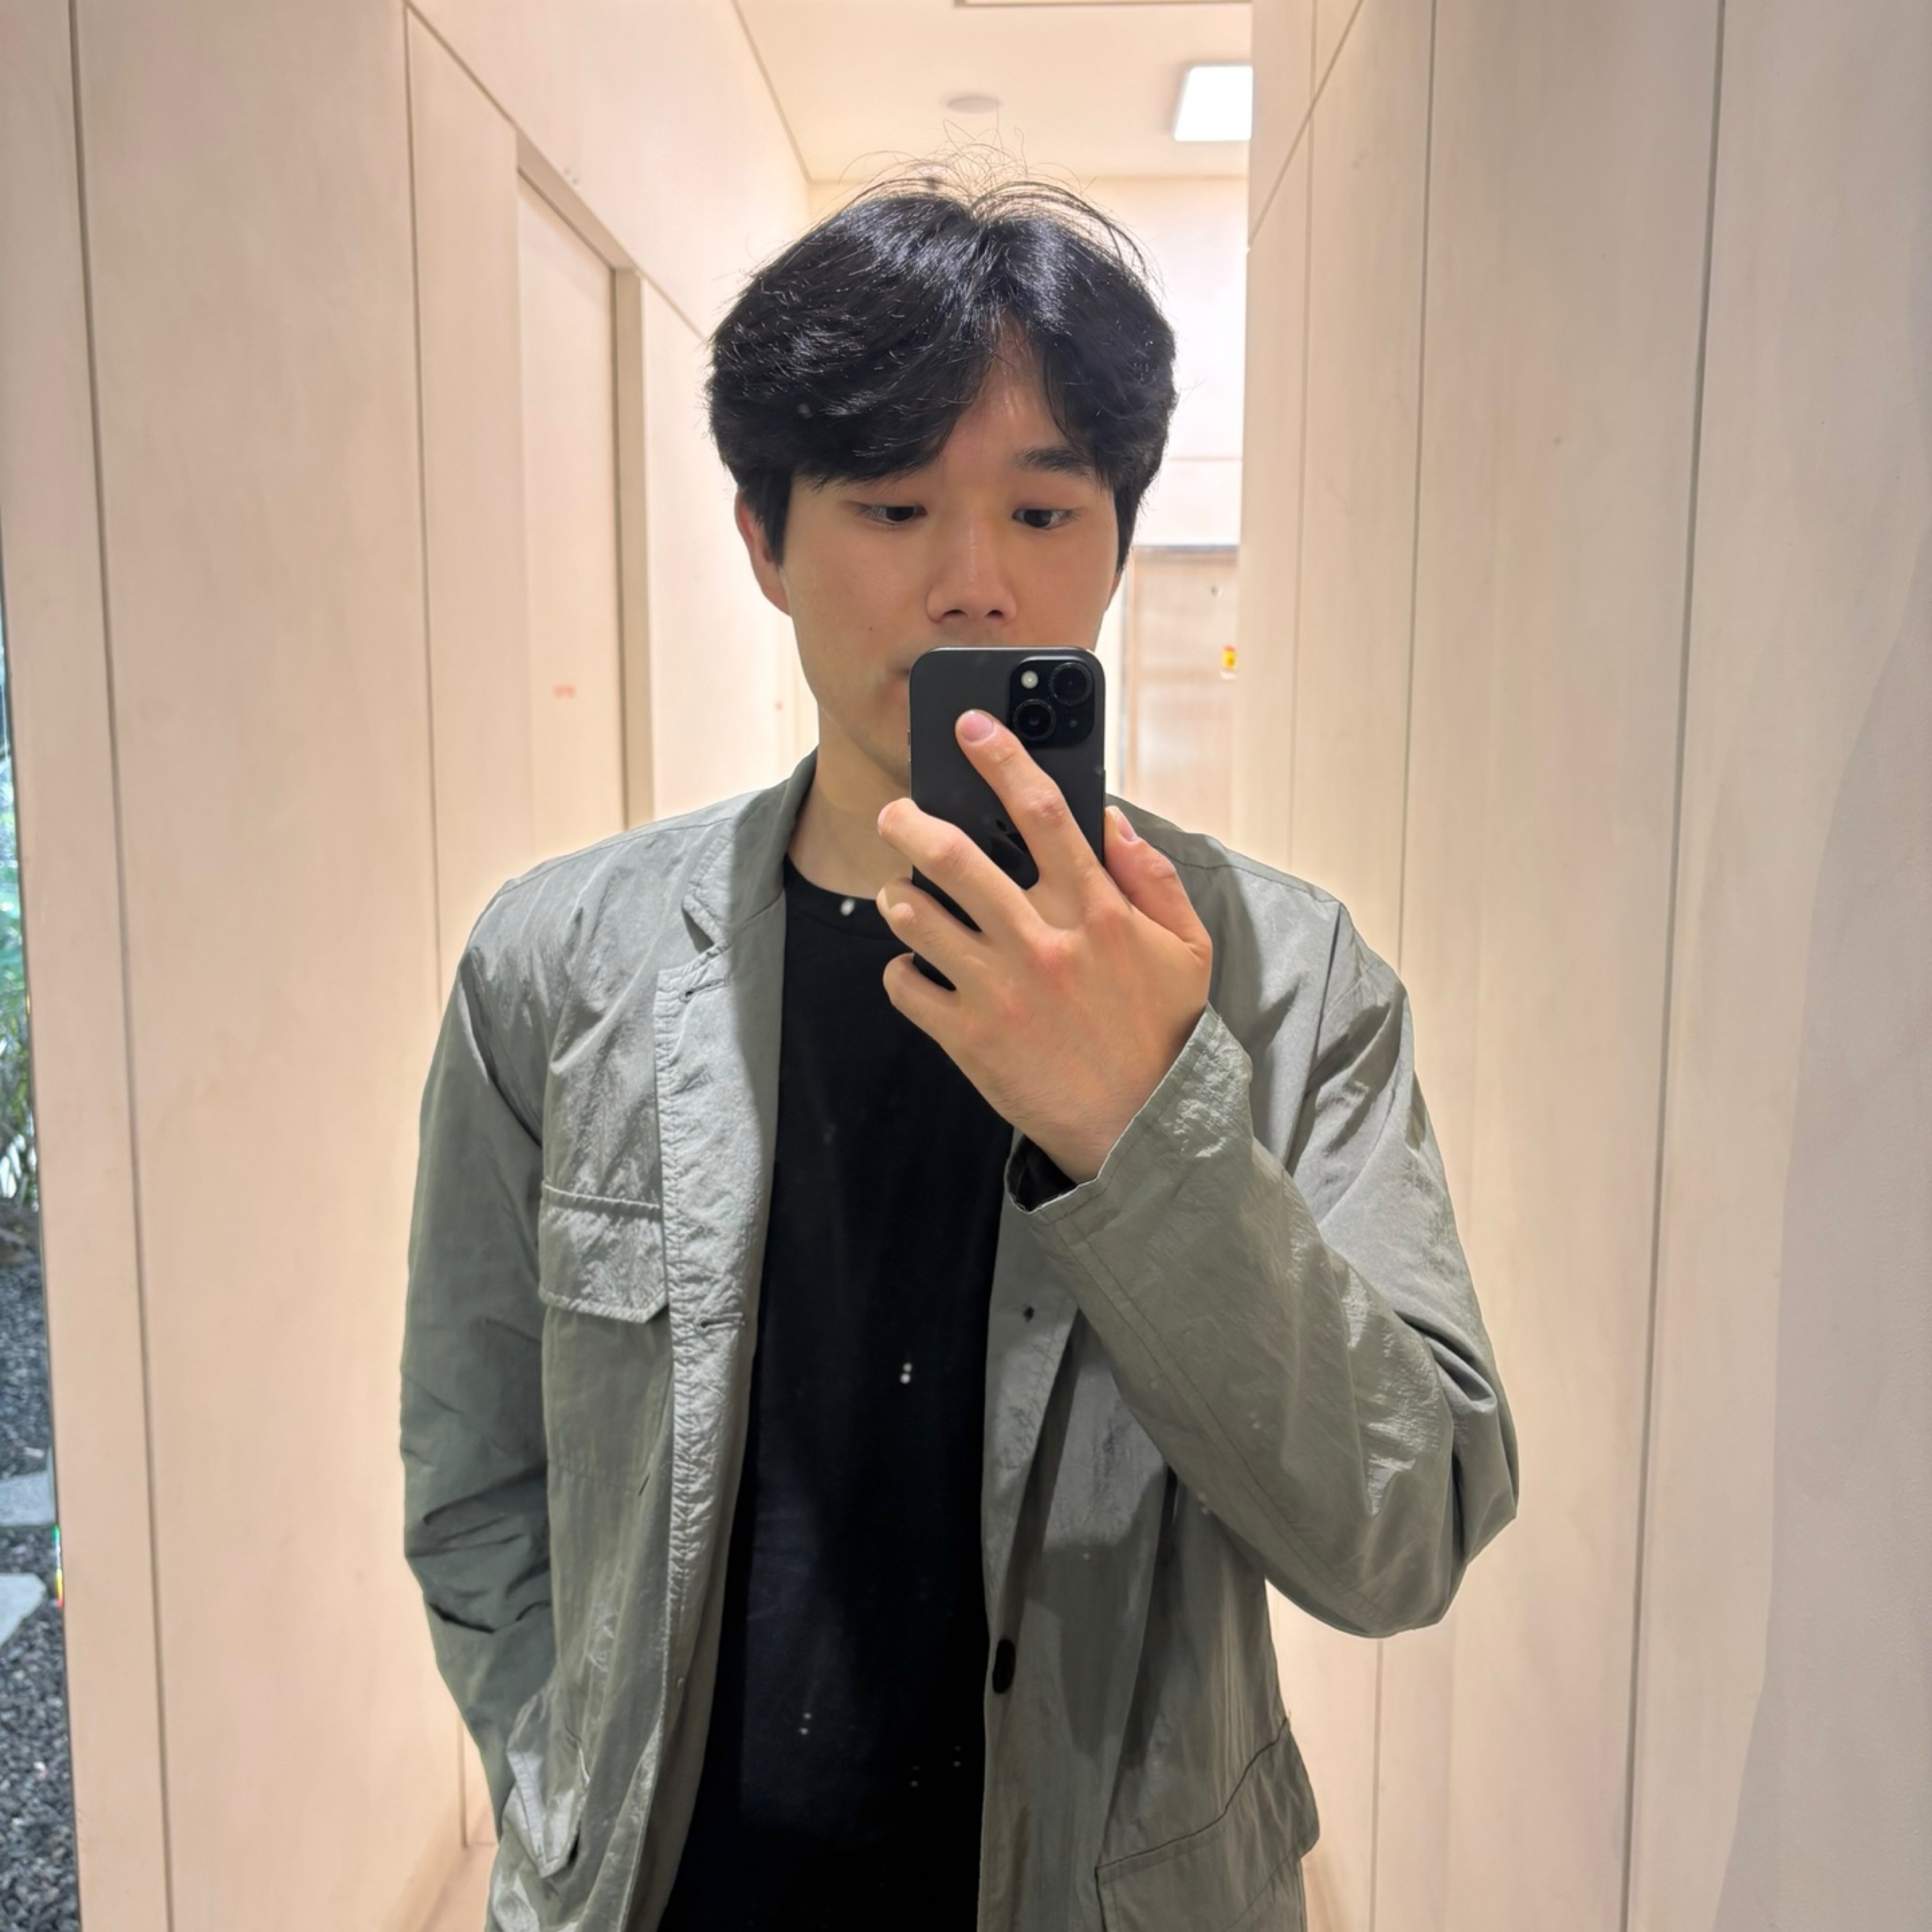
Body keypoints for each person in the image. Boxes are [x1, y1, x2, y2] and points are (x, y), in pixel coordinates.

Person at [400, 175, 1517, 1932]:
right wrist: (563, 1804)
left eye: (1046, 510)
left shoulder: (1285, 981)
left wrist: (1144, 1126)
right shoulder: (554, 970)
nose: (976, 584)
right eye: (893, 504)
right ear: (764, 541)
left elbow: (1407, 1532)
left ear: (1119, 543)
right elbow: (477, 1483)